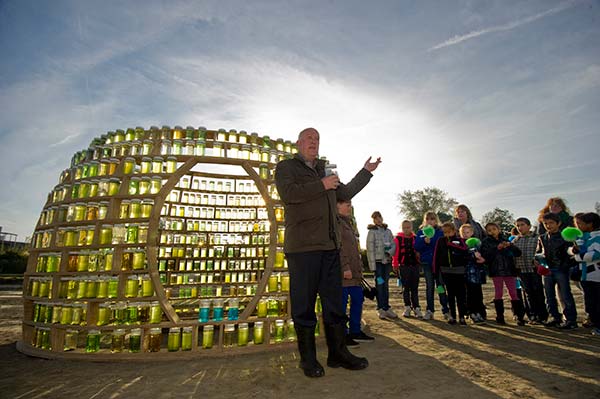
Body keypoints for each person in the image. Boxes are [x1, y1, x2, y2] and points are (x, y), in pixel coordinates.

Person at [275, 127, 381, 377]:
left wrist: (365, 173)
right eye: (309, 138)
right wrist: (320, 184)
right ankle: (308, 359)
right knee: (304, 305)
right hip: (303, 249)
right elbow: (288, 195)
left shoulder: (326, 169)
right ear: (298, 143)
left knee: (334, 305)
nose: (314, 141)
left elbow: (343, 194)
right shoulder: (287, 167)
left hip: (330, 248)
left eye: (317, 139)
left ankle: (338, 353)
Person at [338, 199, 374, 345]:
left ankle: (355, 330)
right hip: (344, 273)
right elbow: (338, 247)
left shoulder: (349, 222)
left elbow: (355, 248)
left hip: (355, 273)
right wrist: (345, 267)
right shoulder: (336, 223)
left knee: (358, 300)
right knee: (341, 304)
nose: (350, 207)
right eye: (347, 205)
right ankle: (342, 334)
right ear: (337, 205)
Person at [535, 212, 578, 329]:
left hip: (561, 269)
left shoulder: (565, 236)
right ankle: (554, 317)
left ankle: (571, 320)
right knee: (549, 295)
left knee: (565, 295)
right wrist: (537, 259)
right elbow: (540, 252)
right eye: (545, 223)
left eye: (551, 223)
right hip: (547, 270)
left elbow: (569, 252)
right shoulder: (542, 237)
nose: (548, 226)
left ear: (558, 223)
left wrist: (572, 252)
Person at [480, 222, 526, 325]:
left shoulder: (505, 239)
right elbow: (486, 257)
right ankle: (500, 316)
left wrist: (509, 246)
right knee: (498, 293)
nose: (492, 231)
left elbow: (518, 253)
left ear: (498, 229)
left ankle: (519, 316)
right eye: (489, 230)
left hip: (509, 270)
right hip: (496, 270)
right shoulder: (486, 242)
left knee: (513, 293)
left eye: (494, 229)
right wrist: (497, 248)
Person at [512, 217, 548, 324]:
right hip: (522, 270)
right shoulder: (516, 240)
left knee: (539, 292)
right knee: (528, 294)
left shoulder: (537, 238)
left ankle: (542, 315)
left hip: (535, 270)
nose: (520, 227)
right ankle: (533, 315)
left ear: (529, 226)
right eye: (518, 226)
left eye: (522, 225)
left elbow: (542, 252)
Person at [415, 211, 449, 320]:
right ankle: (430, 310)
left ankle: (445, 310)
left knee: (440, 286)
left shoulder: (440, 232)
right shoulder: (421, 232)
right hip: (426, 263)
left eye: (432, 219)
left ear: (436, 220)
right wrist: (424, 242)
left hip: (438, 263)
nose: (430, 221)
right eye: (428, 219)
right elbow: (416, 247)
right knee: (429, 287)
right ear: (425, 220)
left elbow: (443, 245)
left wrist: (432, 241)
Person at [433, 222, 469, 325]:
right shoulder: (440, 241)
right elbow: (436, 256)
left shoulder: (460, 240)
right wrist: (435, 271)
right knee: (450, 295)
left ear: (454, 231)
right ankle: (452, 315)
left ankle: (462, 316)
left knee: (461, 295)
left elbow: (465, 251)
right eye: (444, 232)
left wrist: (453, 245)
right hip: (446, 271)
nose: (447, 234)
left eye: (449, 232)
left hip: (459, 271)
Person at [571, 212, 600, 335]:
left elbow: (596, 254)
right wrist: (575, 251)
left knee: (598, 302)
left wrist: (579, 256)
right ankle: (595, 322)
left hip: (597, 276)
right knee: (590, 302)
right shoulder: (583, 238)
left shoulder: (597, 237)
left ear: (590, 224)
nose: (578, 226)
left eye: (580, 223)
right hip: (585, 276)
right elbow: (574, 253)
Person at [366, 211, 397, 319]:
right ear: (373, 220)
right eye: (375, 218)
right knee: (380, 285)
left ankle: (387, 307)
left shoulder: (388, 231)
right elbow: (370, 250)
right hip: (378, 263)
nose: (378, 219)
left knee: (386, 285)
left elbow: (393, 244)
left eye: (379, 217)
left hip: (387, 263)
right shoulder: (371, 232)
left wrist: (390, 252)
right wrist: (372, 267)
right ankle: (380, 308)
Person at [392, 220, 422, 318]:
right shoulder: (398, 239)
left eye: (408, 227)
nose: (406, 229)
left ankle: (417, 307)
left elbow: (419, 250)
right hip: (404, 266)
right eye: (404, 227)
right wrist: (395, 264)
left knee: (414, 288)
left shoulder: (416, 238)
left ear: (411, 228)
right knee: (405, 288)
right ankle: (407, 307)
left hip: (415, 266)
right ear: (402, 228)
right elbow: (396, 253)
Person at [459, 224, 486, 323]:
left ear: (472, 233)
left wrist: (482, 259)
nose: (465, 234)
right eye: (463, 233)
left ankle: (479, 312)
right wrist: (472, 256)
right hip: (467, 274)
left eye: (467, 232)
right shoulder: (461, 245)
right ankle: (471, 312)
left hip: (477, 273)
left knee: (478, 294)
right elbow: (462, 257)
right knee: (469, 294)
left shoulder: (477, 244)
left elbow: (483, 255)